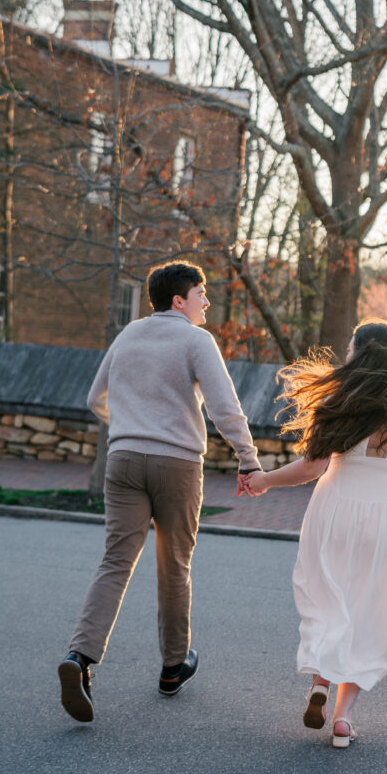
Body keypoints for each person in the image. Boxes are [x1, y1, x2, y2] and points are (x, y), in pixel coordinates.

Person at [58, 261, 261, 723]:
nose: (206, 301)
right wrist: (248, 459)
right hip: (178, 465)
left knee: (115, 561)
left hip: (123, 460)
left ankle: (80, 659)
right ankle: (173, 667)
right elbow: (224, 407)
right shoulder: (195, 340)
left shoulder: (128, 335)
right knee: (174, 564)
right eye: (201, 294)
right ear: (179, 300)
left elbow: (95, 399)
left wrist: (131, 427)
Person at [246, 318, 387, 749]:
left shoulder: (338, 398)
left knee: (331, 597)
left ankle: (320, 681)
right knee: (371, 610)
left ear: (355, 353)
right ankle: (342, 718)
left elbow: (312, 467)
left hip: (334, 509)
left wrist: (264, 480)